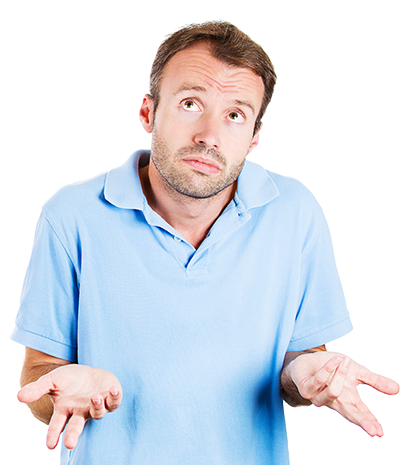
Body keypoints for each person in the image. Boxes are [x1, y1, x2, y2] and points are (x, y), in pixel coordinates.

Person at [12, 19, 399, 465]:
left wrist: (309, 374)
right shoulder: (71, 214)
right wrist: (63, 394)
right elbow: (39, 374)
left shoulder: (294, 211)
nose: (209, 136)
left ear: (253, 137)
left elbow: (300, 365)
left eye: (235, 115)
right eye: (191, 103)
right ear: (148, 113)